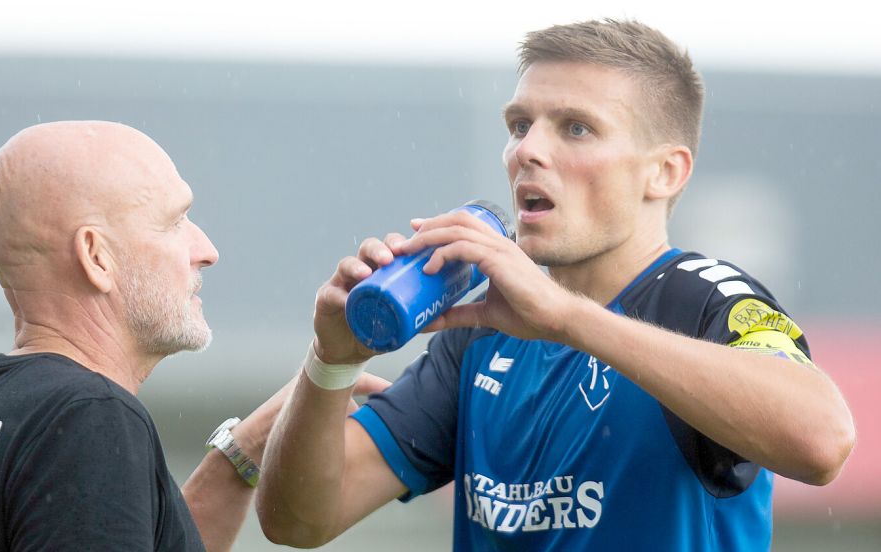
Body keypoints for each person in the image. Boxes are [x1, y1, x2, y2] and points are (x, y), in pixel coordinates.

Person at [256, 19, 856, 551]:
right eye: (520, 125)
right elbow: (299, 522)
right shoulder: (483, 334)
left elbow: (823, 441)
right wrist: (331, 363)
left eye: (575, 128)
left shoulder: (703, 296)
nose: (528, 150)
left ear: (664, 172)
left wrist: (567, 318)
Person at [0, 120, 386, 551]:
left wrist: (245, 449)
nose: (206, 250)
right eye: (174, 222)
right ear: (96, 257)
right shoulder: (89, 418)